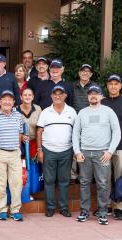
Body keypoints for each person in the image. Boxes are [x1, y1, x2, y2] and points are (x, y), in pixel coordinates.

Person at [72, 84, 120, 225]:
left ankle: (102, 212)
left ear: (101, 96)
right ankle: (84, 211)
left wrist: (110, 151)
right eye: (90, 93)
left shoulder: (108, 111)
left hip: (102, 153)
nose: (93, 95)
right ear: (88, 96)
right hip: (85, 153)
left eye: (96, 93)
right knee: (84, 183)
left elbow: (116, 132)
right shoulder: (82, 112)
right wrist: (77, 151)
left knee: (103, 184)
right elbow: (75, 133)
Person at [36, 85, 77, 218]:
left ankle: (64, 208)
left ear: (65, 96)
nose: (58, 96)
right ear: (51, 96)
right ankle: (50, 208)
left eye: (61, 94)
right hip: (48, 151)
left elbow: (76, 132)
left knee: (64, 180)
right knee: (49, 180)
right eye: (55, 94)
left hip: (67, 150)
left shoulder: (72, 111)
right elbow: (39, 131)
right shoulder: (45, 112)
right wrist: (40, 150)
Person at [0, 90, 25, 221]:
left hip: (14, 153)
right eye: (4, 99)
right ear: (0, 101)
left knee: (17, 183)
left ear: (14, 102)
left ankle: (15, 210)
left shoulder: (18, 116)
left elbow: (20, 134)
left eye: (10, 99)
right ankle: (2, 210)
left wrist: (18, 148)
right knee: (0, 185)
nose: (7, 102)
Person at [101, 74, 122, 220]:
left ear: (120, 86)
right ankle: (107, 205)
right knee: (105, 177)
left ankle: (119, 207)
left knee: (120, 177)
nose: (113, 86)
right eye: (110, 84)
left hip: (121, 146)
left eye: (116, 83)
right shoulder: (102, 102)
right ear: (107, 86)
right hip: (104, 146)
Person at [71, 64, 95, 184]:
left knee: (86, 148)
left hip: (90, 123)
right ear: (79, 73)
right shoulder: (72, 86)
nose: (85, 73)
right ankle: (73, 176)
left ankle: (85, 176)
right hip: (74, 121)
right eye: (83, 71)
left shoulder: (95, 87)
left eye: (88, 71)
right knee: (75, 147)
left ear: (91, 74)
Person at [16, 88, 42, 160]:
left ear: (33, 97)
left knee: (33, 165)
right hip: (20, 143)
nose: (27, 97)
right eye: (25, 95)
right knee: (22, 166)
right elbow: (13, 128)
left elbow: (41, 127)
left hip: (34, 142)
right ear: (21, 97)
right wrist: (21, 137)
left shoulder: (38, 109)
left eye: (29, 95)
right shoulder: (15, 110)